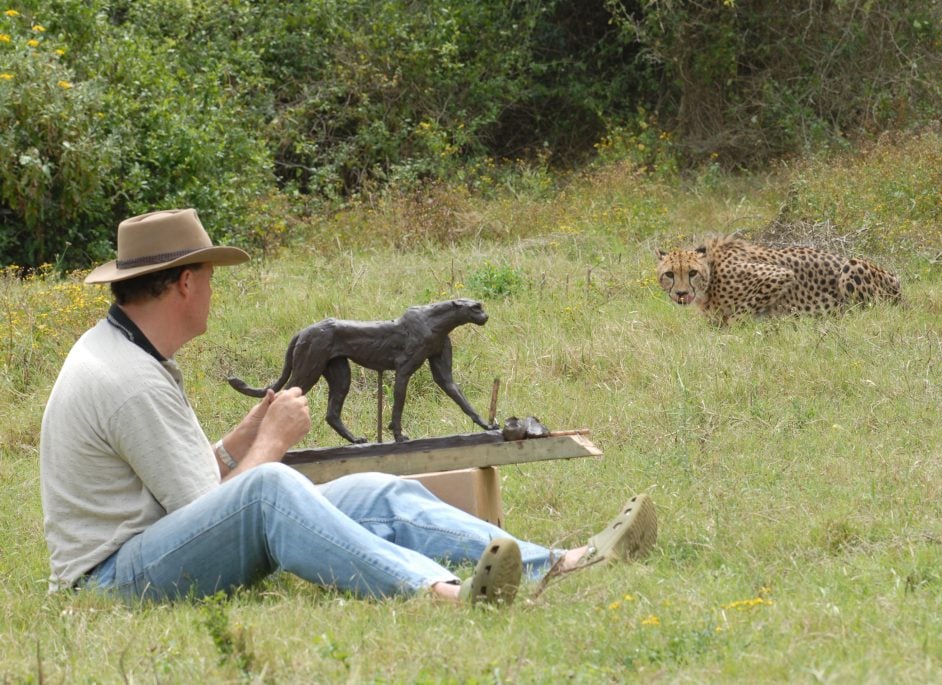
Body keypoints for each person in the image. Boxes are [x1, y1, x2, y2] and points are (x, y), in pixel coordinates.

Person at [39, 208, 657, 605]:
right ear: (185, 283)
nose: (211, 292)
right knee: (271, 487)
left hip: (151, 545)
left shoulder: (127, 354)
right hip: (110, 583)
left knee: (372, 490)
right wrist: (271, 444)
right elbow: (214, 508)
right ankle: (442, 595)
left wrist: (244, 433)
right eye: (210, 277)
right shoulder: (130, 379)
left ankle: (557, 564)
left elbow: (186, 482)